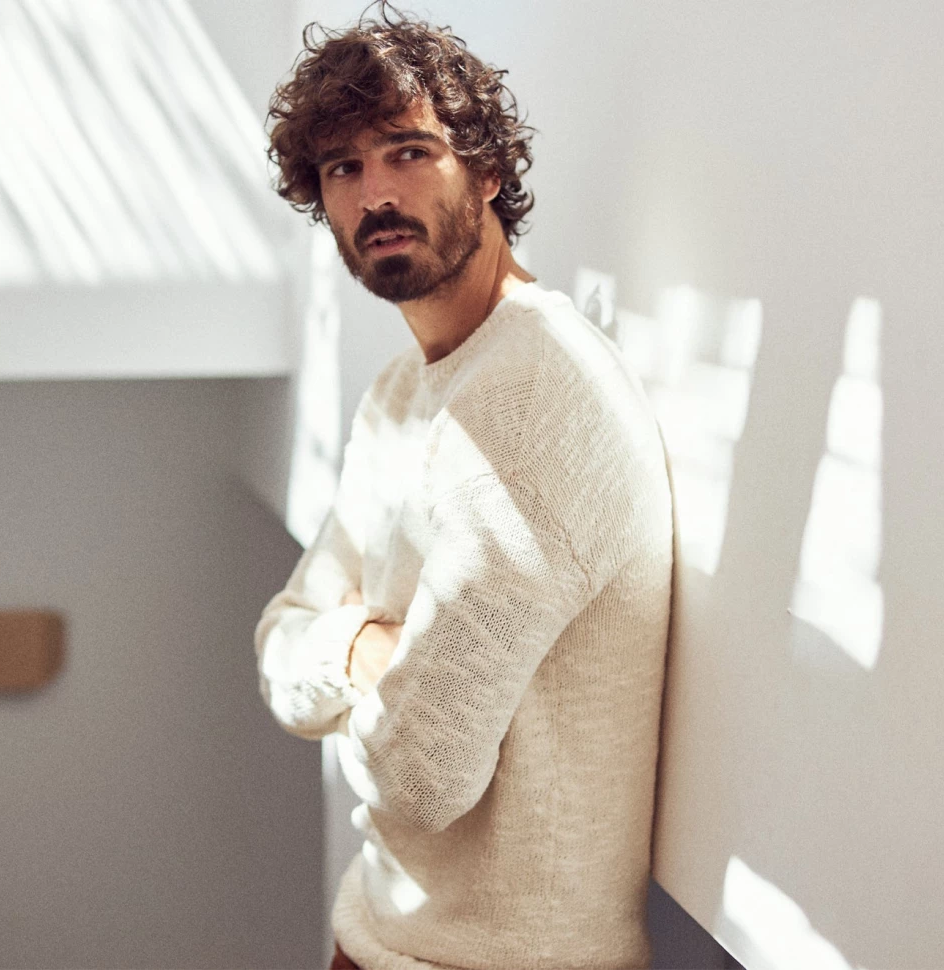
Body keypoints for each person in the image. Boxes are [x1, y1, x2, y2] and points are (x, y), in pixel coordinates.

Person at [254, 5, 674, 968]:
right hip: (373, 933)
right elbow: (279, 650)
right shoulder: (399, 394)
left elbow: (423, 775)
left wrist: (346, 656)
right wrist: (368, 645)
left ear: (486, 171)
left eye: (409, 151)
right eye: (343, 168)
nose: (375, 194)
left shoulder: (536, 393)